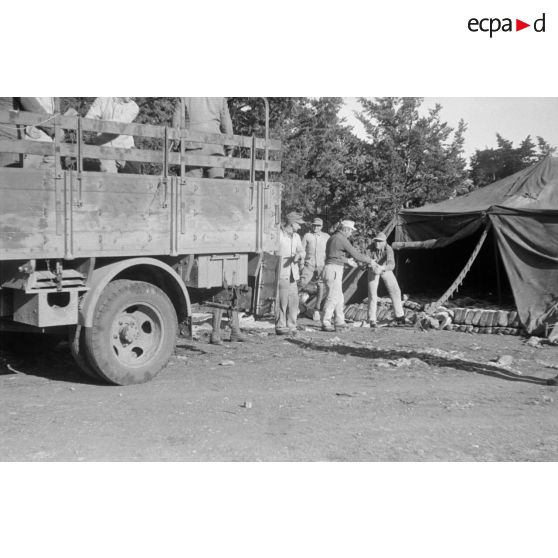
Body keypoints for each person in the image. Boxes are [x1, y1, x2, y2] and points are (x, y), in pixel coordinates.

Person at [322, 220, 373, 332]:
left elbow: (333, 255)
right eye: (350, 230)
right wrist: (370, 261)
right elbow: (356, 255)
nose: (351, 233)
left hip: (331, 268)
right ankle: (325, 322)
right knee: (333, 297)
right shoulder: (342, 239)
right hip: (334, 270)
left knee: (339, 297)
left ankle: (339, 321)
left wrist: (346, 260)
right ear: (346, 229)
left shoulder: (333, 238)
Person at [172, 97, 233, 178]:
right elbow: (227, 126)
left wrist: (176, 145)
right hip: (215, 149)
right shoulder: (220, 98)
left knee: (191, 187)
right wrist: (230, 149)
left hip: (192, 147)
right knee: (216, 187)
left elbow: (176, 124)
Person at [85, 97, 139, 173]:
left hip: (125, 148)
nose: (134, 96)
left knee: (133, 177)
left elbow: (119, 124)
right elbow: (88, 120)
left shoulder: (133, 107)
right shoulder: (102, 99)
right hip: (105, 147)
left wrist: (99, 123)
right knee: (108, 172)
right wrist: (94, 123)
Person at [367, 232, 406, 327]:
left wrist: (383, 268)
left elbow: (392, 264)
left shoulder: (389, 249)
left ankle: (399, 316)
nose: (377, 243)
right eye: (376, 241)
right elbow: (364, 260)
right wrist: (370, 264)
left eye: (380, 242)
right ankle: (372, 319)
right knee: (372, 293)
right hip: (373, 268)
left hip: (384, 268)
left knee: (395, 290)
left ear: (384, 242)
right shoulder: (370, 247)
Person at [276, 212, 305, 335]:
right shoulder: (278, 235)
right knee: (282, 300)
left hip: (294, 273)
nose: (300, 226)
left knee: (294, 300)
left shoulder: (297, 236)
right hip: (282, 271)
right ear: (292, 223)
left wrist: (299, 255)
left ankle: (292, 325)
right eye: (299, 224)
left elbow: (302, 251)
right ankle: (280, 326)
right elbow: (272, 251)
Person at [299, 217, 330, 321]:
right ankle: (298, 306)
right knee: (302, 283)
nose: (316, 227)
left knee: (321, 286)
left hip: (322, 264)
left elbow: (329, 251)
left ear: (322, 226)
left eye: (318, 225)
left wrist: (327, 264)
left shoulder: (326, 237)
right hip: (309, 264)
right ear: (311, 225)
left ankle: (317, 310)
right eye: (314, 225)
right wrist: (301, 264)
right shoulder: (307, 236)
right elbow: (302, 250)